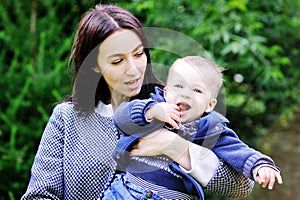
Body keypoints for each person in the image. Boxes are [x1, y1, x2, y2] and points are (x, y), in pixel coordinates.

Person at [21, 4, 254, 200]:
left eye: (138, 54)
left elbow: (242, 186)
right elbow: (39, 195)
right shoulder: (68, 117)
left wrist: (174, 146)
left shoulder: (177, 104)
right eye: (117, 61)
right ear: (94, 65)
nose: (133, 70)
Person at [110, 56, 283, 199]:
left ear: (210, 105)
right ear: (166, 92)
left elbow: (238, 151)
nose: (185, 93)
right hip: (125, 191)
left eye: (197, 91)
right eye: (178, 86)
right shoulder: (153, 107)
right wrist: (150, 111)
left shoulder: (211, 129)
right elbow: (121, 117)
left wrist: (260, 165)